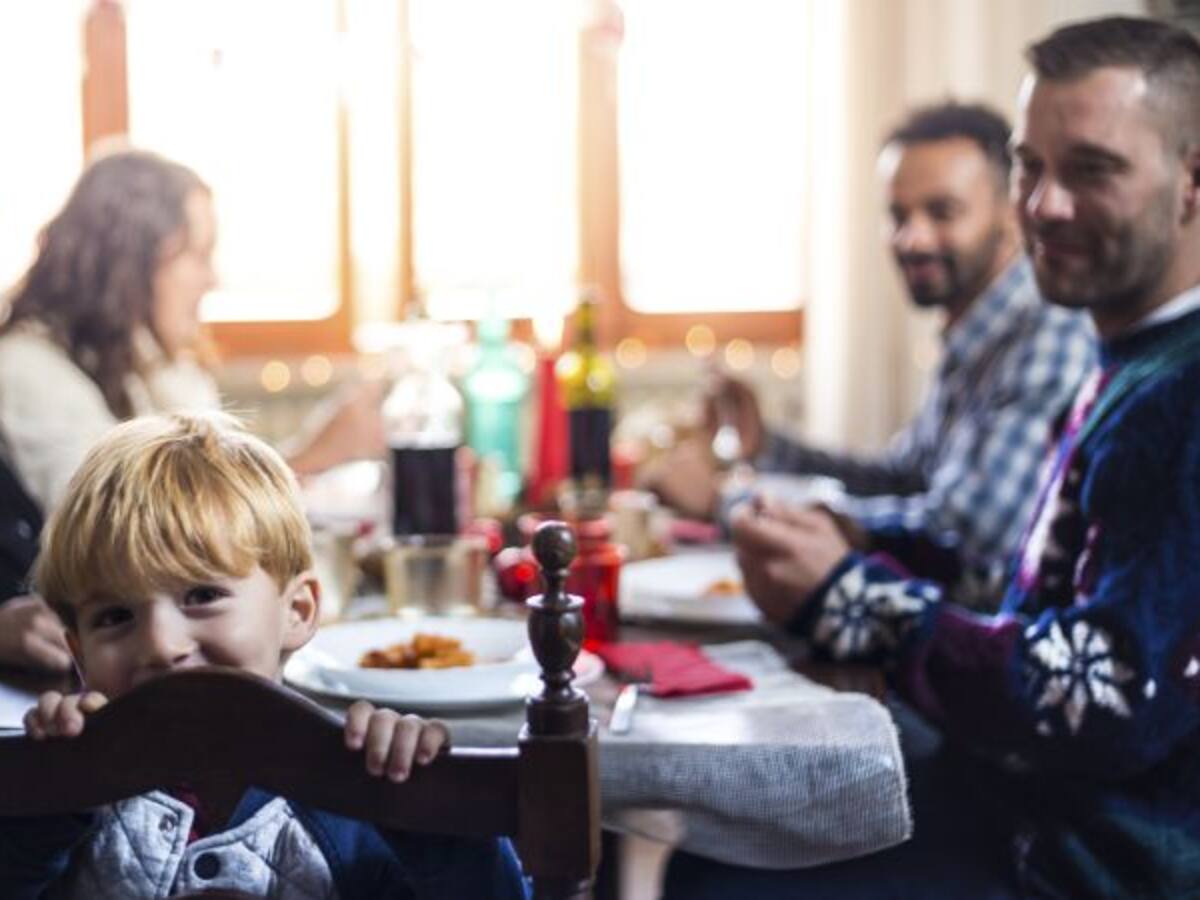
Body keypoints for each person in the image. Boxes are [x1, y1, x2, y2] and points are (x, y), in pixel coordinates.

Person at [667, 16, 1200, 898]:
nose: (1046, 205)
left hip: (1086, 862)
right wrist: (827, 538)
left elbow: (1101, 696)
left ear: (1191, 183)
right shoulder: (1130, 362)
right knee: (714, 833)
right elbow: (1029, 572)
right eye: (1032, 166)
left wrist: (850, 598)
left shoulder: (1179, 396)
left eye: (1093, 170)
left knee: (716, 871)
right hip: (1018, 805)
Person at [0, 411, 527, 898]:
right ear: (77, 651)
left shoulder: (356, 780)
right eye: (115, 617)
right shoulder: (71, 797)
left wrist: (428, 810)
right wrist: (44, 792)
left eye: (202, 596)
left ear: (297, 611)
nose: (160, 645)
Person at [645, 102, 1095, 609]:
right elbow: (899, 478)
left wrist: (729, 504)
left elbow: (961, 533)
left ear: (1011, 213)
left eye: (942, 212)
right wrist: (768, 444)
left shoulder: (1047, 336)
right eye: (898, 216)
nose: (913, 238)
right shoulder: (971, 333)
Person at [0, 148, 386, 672]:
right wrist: (319, 452)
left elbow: (211, 478)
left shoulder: (146, 361)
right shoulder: (23, 367)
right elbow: (137, 524)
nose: (212, 279)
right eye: (197, 255)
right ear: (130, 260)